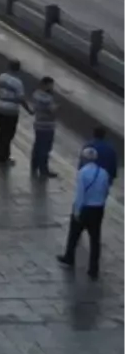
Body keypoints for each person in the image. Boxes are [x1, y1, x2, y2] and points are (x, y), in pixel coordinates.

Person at [57, 147, 111, 279]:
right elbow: (106, 191)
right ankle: (93, 268)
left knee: (74, 234)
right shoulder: (103, 173)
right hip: (98, 208)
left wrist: (77, 211)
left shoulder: (83, 172)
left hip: (85, 208)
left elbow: (80, 194)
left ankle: (69, 257)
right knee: (95, 239)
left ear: (84, 158)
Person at [0, 60, 32, 165]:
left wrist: (2, 98)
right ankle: (5, 157)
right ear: (18, 69)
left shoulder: (1, 77)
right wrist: (29, 110)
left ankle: (0, 155)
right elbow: (21, 98)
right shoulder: (17, 82)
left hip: (0, 108)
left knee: (1, 132)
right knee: (9, 134)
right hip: (11, 111)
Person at [30, 77, 59, 179]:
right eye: (51, 85)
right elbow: (53, 111)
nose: (52, 87)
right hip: (47, 125)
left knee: (37, 145)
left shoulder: (36, 94)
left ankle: (34, 165)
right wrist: (56, 108)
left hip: (38, 124)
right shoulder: (47, 98)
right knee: (45, 148)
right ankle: (44, 169)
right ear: (45, 85)